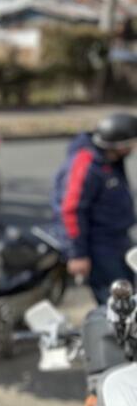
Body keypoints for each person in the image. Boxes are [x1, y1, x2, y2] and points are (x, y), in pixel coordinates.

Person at [51, 112, 137, 303]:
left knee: (129, 294)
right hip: (99, 245)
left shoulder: (111, 161)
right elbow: (71, 210)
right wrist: (77, 254)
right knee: (116, 302)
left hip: (117, 240)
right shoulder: (87, 165)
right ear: (119, 144)